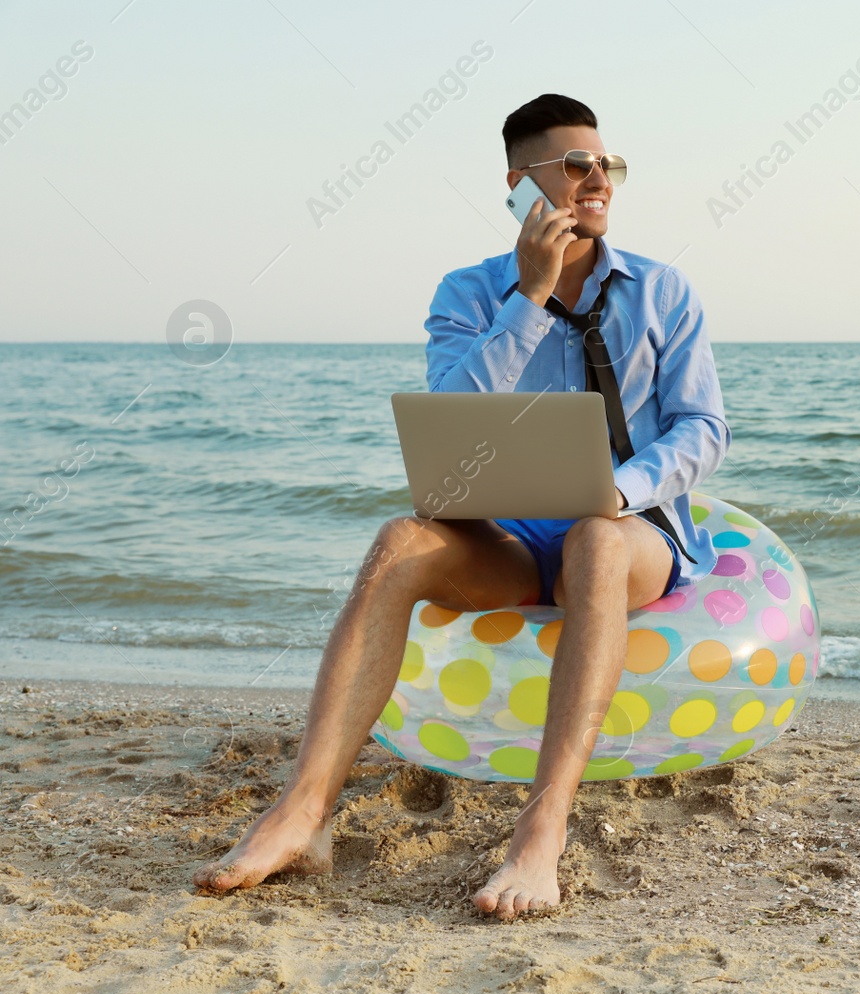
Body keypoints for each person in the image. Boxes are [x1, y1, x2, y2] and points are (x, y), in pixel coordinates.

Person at [193, 94, 730, 919]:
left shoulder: (664, 290)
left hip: (628, 533)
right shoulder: (468, 293)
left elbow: (703, 429)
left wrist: (617, 492)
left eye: (608, 165)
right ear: (521, 186)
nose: (598, 182)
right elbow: (456, 411)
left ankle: (542, 827)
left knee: (595, 534)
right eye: (576, 166)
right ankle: (302, 814)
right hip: (511, 536)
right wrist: (529, 298)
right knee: (400, 539)